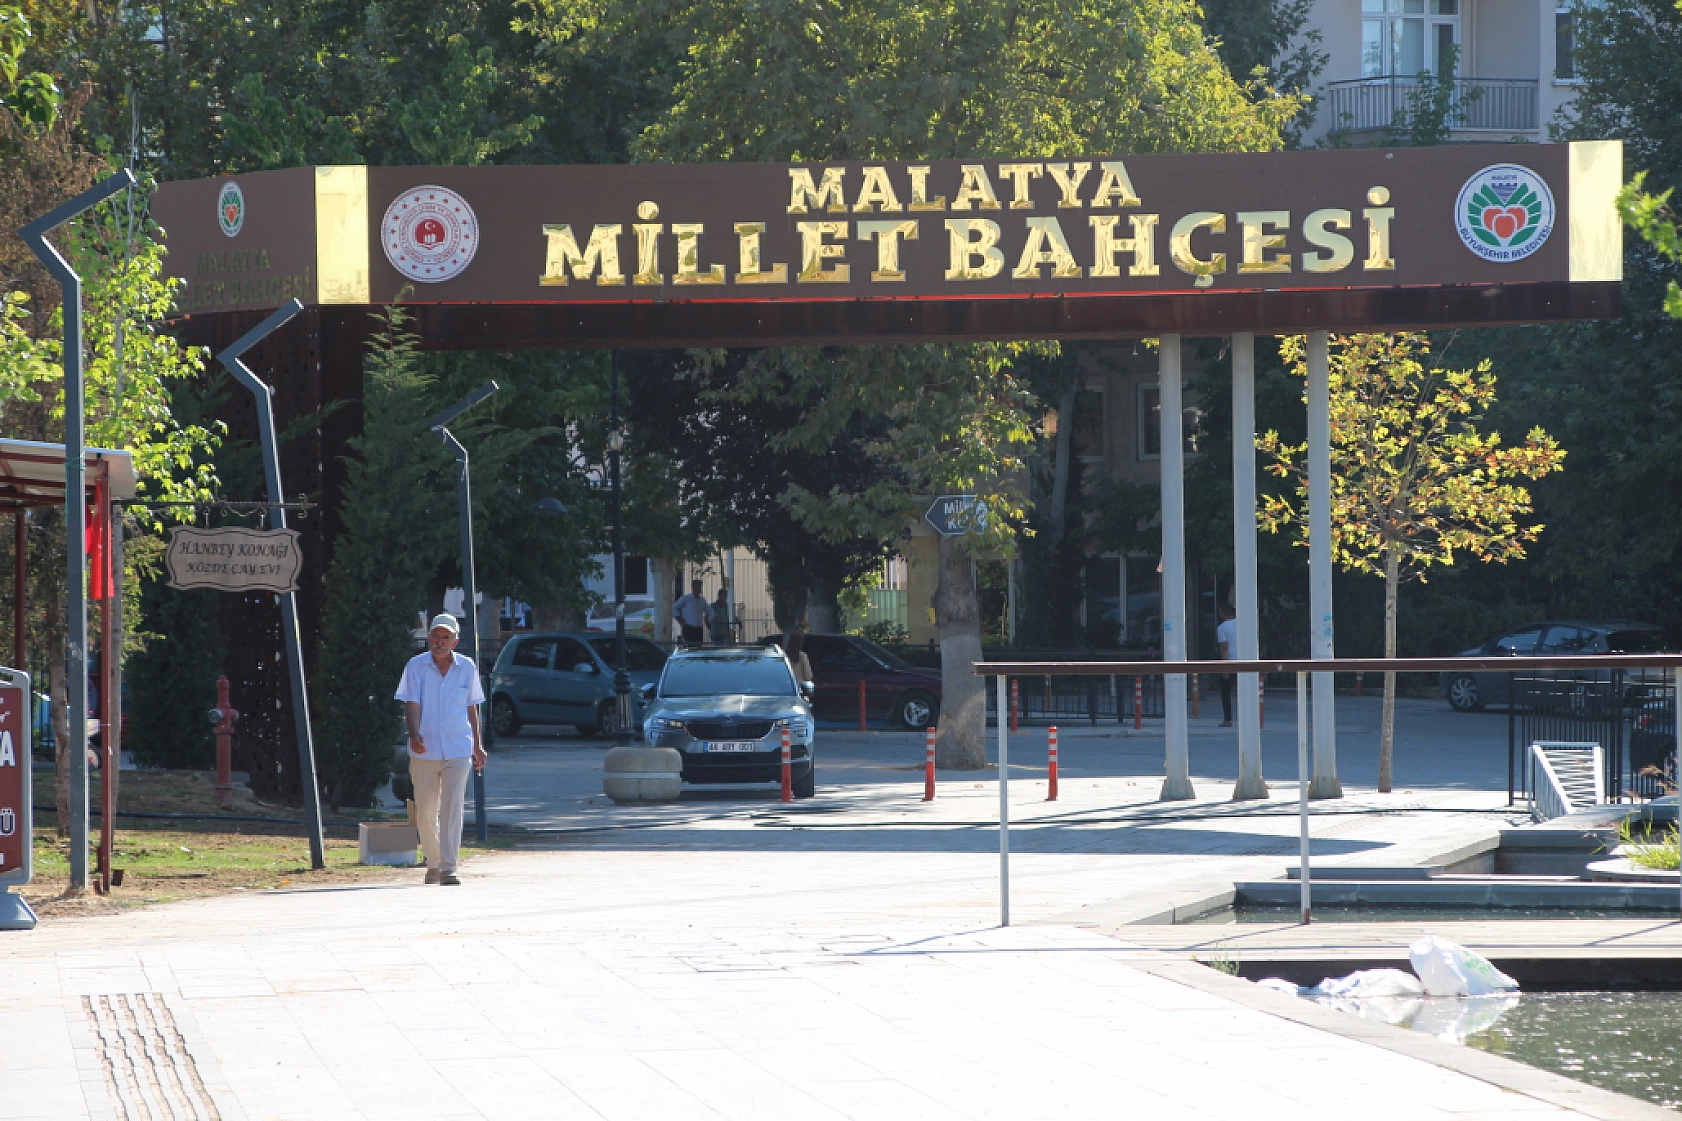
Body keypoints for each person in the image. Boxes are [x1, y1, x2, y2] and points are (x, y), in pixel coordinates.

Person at [394, 614, 486, 886]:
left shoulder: (467, 668)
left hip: (458, 748)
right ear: (429, 638)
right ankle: (433, 862)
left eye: (446, 637)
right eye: (436, 636)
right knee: (425, 810)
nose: (439, 641)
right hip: (425, 749)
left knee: (452, 807)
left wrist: (478, 745)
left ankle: (448, 867)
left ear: (455, 642)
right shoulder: (416, 666)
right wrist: (413, 733)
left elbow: (472, 707)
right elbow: (411, 704)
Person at [1216, 604, 1237, 728]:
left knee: (1226, 692)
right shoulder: (1243, 624)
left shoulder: (1222, 628)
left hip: (1230, 661)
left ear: (1223, 614)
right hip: (1245, 662)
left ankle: (1228, 719)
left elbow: (1224, 647)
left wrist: (1224, 667)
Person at [673, 579, 711, 646]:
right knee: (690, 647)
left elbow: (708, 610)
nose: (698, 589)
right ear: (693, 587)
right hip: (689, 628)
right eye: (697, 587)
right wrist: (680, 620)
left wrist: (713, 617)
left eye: (700, 587)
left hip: (699, 629)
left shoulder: (702, 600)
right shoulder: (686, 598)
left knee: (698, 648)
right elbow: (674, 607)